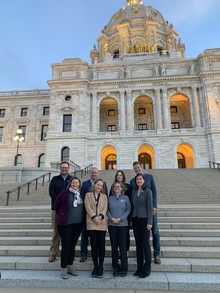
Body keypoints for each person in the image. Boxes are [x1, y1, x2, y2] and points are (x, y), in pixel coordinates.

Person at [130, 161, 161, 264]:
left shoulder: (149, 177)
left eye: (138, 167)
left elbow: (155, 192)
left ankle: (157, 254)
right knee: (143, 235)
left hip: (151, 210)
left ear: (141, 166)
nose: (137, 169)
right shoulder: (132, 181)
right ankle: (142, 255)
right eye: (135, 168)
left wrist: (155, 206)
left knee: (155, 231)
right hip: (140, 212)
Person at [54, 177, 84, 279]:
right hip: (65, 224)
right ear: (70, 184)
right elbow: (56, 205)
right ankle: (63, 268)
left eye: (77, 182)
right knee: (66, 245)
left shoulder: (81, 195)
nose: (75, 184)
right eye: (73, 182)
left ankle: (70, 266)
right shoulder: (64, 194)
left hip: (78, 224)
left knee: (72, 245)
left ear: (79, 184)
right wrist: (62, 215)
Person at [80, 167, 108, 262]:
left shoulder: (103, 185)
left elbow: (105, 200)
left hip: (100, 217)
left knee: (98, 240)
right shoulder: (84, 184)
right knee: (84, 235)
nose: (94, 174)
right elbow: (83, 199)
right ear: (90, 173)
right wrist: (92, 215)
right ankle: (83, 253)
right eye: (92, 173)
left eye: (95, 173)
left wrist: (100, 216)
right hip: (87, 215)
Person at [48, 161, 72, 263]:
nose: (64, 169)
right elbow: (51, 192)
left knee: (68, 233)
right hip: (56, 210)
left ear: (68, 168)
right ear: (60, 168)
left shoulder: (72, 179)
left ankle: (68, 253)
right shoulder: (54, 179)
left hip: (69, 210)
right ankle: (53, 253)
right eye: (62, 168)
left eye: (66, 168)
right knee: (56, 232)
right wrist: (60, 201)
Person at [84, 179, 108, 278]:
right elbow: (87, 207)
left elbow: (105, 208)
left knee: (101, 246)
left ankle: (101, 266)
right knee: (94, 246)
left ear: (102, 187)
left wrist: (100, 217)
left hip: (101, 223)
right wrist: (94, 217)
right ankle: (95, 266)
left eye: (101, 186)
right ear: (94, 185)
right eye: (98, 185)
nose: (99, 187)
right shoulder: (88, 195)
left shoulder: (104, 196)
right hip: (92, 222)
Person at [130, 173, 153, 278]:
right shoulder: (133, 192)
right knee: (138, 245)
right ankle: (139, 268)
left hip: (144, 220)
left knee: (145, 245)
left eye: (140, 179)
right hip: (135, 219)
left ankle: (146, 269)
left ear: (143, 180)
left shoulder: (148, 191)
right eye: (137, 179)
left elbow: (150, 208)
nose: (138, 181)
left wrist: (150, 222)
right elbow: (132, 206)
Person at [107, 181, 131, 277]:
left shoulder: (126, 198)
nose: (117, 188)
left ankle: (124, 268)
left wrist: (121, 219)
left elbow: (128, 209)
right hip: (112, 225)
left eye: (118, 186)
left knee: (123, 247)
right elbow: (106, 210)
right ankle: (115, 268)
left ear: (122, 188)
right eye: (115, 186)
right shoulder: (110, 198)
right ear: (113, 188)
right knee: (114, 247)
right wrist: (112, 218)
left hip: (123, 225)